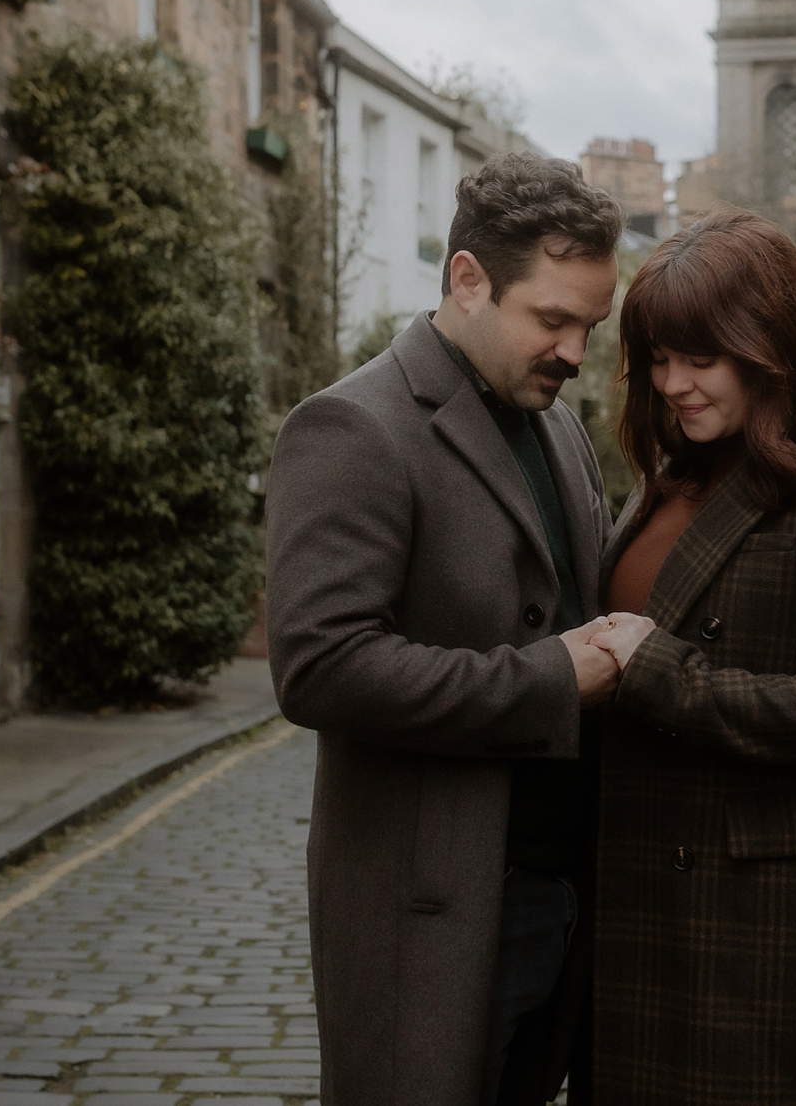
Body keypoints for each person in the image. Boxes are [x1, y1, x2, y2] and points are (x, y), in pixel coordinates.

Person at [266, 153, 625, 1106]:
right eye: (552, 319)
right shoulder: (352, 427)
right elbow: (319, 666)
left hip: (562, 901)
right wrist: (549, 679)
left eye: (590, 327)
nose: (575, 353)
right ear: (468, 279)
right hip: (432, 916)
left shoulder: (560, 429)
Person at [581, 207, 796, 1106]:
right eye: (659, 357)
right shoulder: (669, 477)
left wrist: (660, 670)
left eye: (701, 358)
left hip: (761, 926)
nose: (673, 383)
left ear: (772, 345)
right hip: (635, 900)